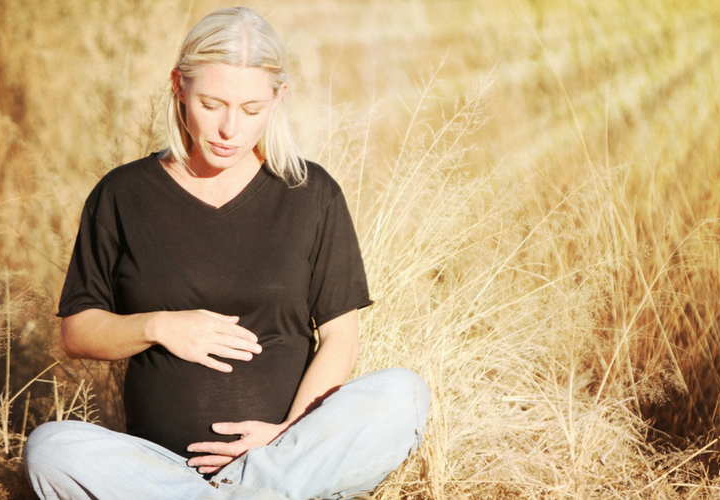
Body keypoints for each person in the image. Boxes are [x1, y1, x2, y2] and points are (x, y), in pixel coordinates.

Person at [24, 7, 430, 500]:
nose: (229, 129)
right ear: (179, 86)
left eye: (252, 109)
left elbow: (340, 338)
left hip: (284, 453)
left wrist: (285, 435)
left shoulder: (311, 192)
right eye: (212, 104)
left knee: (403, 394)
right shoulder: (123, 194)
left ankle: (256, 488)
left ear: (278, 97)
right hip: (161, 469)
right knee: (50, 448)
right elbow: (77, 331)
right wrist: (160, 326)